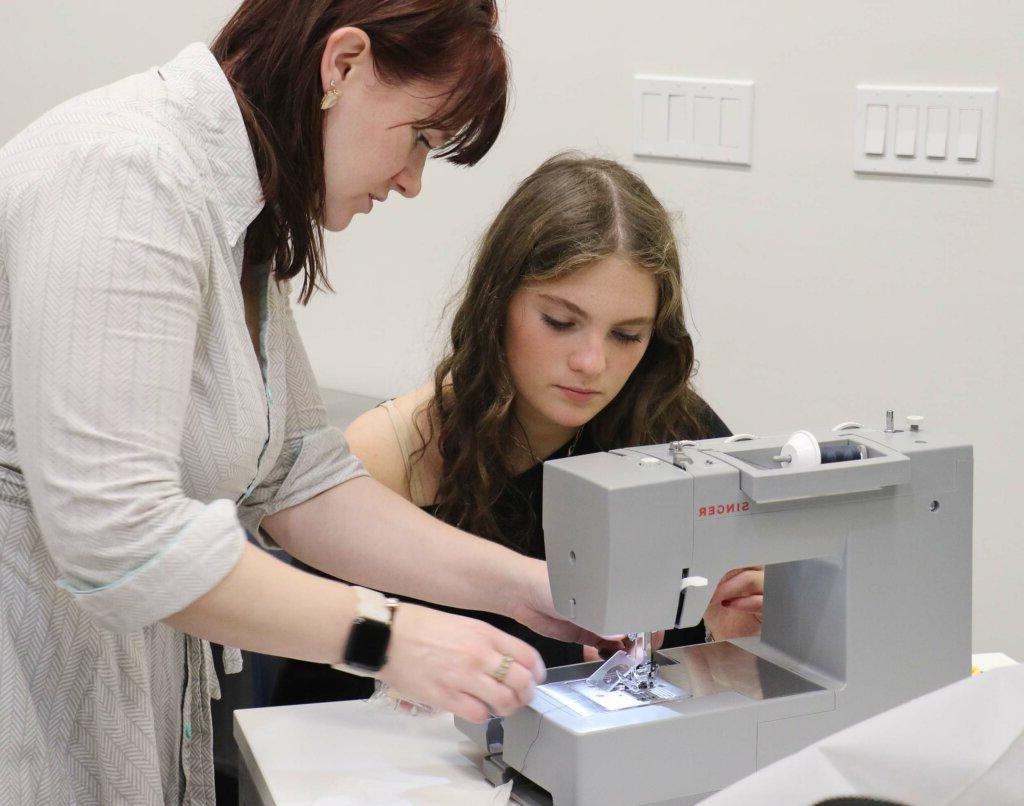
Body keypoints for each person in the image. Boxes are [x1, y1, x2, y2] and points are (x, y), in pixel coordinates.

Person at [0, 3, 607, 803]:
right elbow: (121, 538)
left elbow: (294, 475)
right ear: (343, 65)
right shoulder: (128, 176)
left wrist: (525, 587)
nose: (411, 181)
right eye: (420, 137)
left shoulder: (227, 203)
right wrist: (388, 634)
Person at [272, 154, 765, 706]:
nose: (591, 362)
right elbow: (308, 701)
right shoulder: (392, 455)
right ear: (497, 303)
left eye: (627, 335)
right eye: (560, 322)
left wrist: (729, 637)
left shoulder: (681, 437)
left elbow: (734, 680)